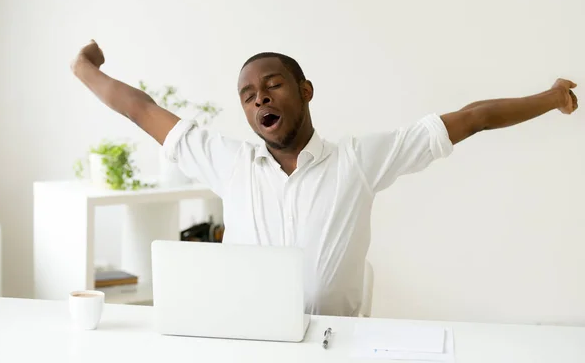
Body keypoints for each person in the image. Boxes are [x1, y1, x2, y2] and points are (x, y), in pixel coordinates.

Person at [71, 40, 579, 317]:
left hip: (340, 342)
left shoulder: (358, 159)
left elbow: (471, 118)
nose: (260, 99)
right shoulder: (228, 162)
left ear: (305, 90)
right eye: (248, 96)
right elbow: (142, 110)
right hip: (250, 343)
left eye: (272, 86)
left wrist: (552, 96)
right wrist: (86, 69)